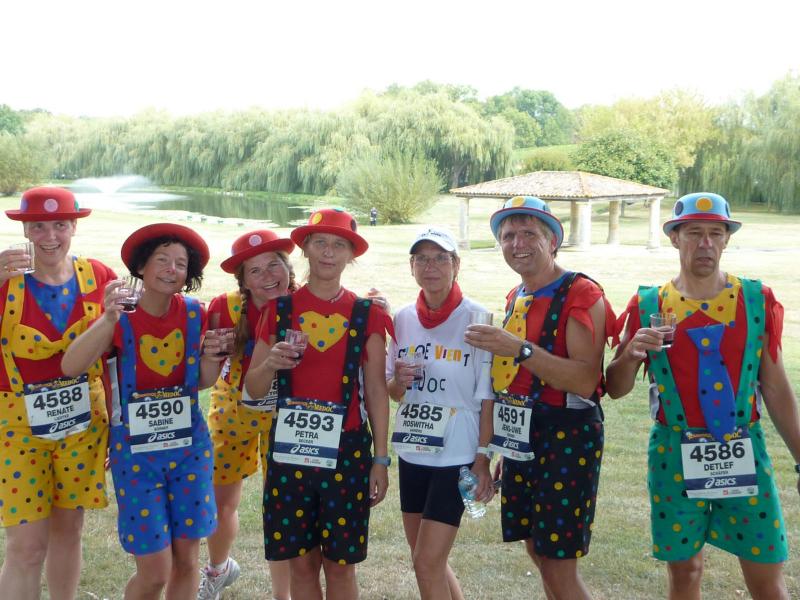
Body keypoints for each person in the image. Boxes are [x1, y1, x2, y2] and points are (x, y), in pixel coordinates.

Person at [605, 192, 800, 600]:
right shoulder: (649, 304)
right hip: (673, 453)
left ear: (727, 239)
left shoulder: (755, 301)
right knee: (685, 571)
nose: (705, 243)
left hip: (743, 446)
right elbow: (616, 389)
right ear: (675, 238)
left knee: (766, 571)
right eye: (694, 233)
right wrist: (631, 352)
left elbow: (776, 386)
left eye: (715, 233)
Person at [62, 223, 225, 600]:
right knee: (154, 572)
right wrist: (108, 319)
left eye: (180, 263)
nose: (171, 269)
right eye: (162, 260)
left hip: (189, 449)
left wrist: (213, 358)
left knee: (187, 560)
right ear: (141, 267)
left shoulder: (194, 313)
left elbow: (199, 381)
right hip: (136, 454)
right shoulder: (120, 315)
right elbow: (71, 366)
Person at [465, 196, 615, 600]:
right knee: (536, 548)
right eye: (508, 235)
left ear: (553, 242)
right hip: (524, 437)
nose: (517, 243)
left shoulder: (581, 293)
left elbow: (585, 381)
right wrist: (507, 445)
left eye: (529, 233)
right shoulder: (516, 295)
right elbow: (515, 383)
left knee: (558, 562)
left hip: (567, 435)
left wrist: (519, 349)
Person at [245, 207, 393, 600]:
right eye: (320, 243)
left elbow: (376, 390)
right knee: (301, 565)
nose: (328, 252)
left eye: (339, 245)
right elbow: (254, 389)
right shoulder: (278, 311)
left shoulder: (367, 314)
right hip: (290, 453)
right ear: (305, 248)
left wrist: (381, 459)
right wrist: (270, 364)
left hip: (347, 451)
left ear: (351, 255)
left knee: (341, 566)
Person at [0, 187, 116, 600]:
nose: (50, 236)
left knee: (69, 531)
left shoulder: (98, 276)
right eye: (38, 227)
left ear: (74, 227)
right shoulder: (6, 280)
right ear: (25, 231)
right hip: (18, 429)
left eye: (60, 225)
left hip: (84, 425)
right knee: (26, 547)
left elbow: (118, 352)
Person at [386, 226, 495, 600]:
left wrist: (483, 458)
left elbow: (487, 397)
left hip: (456, 454)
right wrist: (399, 381)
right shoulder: (402, 318)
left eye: (440, 258)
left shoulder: (477, 318)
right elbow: (393, 392)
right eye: (422, 259)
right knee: (424, 557)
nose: (430, 267)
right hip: (413, 450)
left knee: (427, 561)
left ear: (456, 265)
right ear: (411, 267)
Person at [199, 230, 295, 600]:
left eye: (274, 265)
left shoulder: (303, 304)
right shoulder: (224, 307)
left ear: (288, 268)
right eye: (255, 271)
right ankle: (218, 569)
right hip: (233, 407)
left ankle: (283, 594)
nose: (267, 276)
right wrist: (210, 350)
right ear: (243, 281)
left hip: (285, 411)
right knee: (222, 499)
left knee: (281, 503)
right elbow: (204, 366)